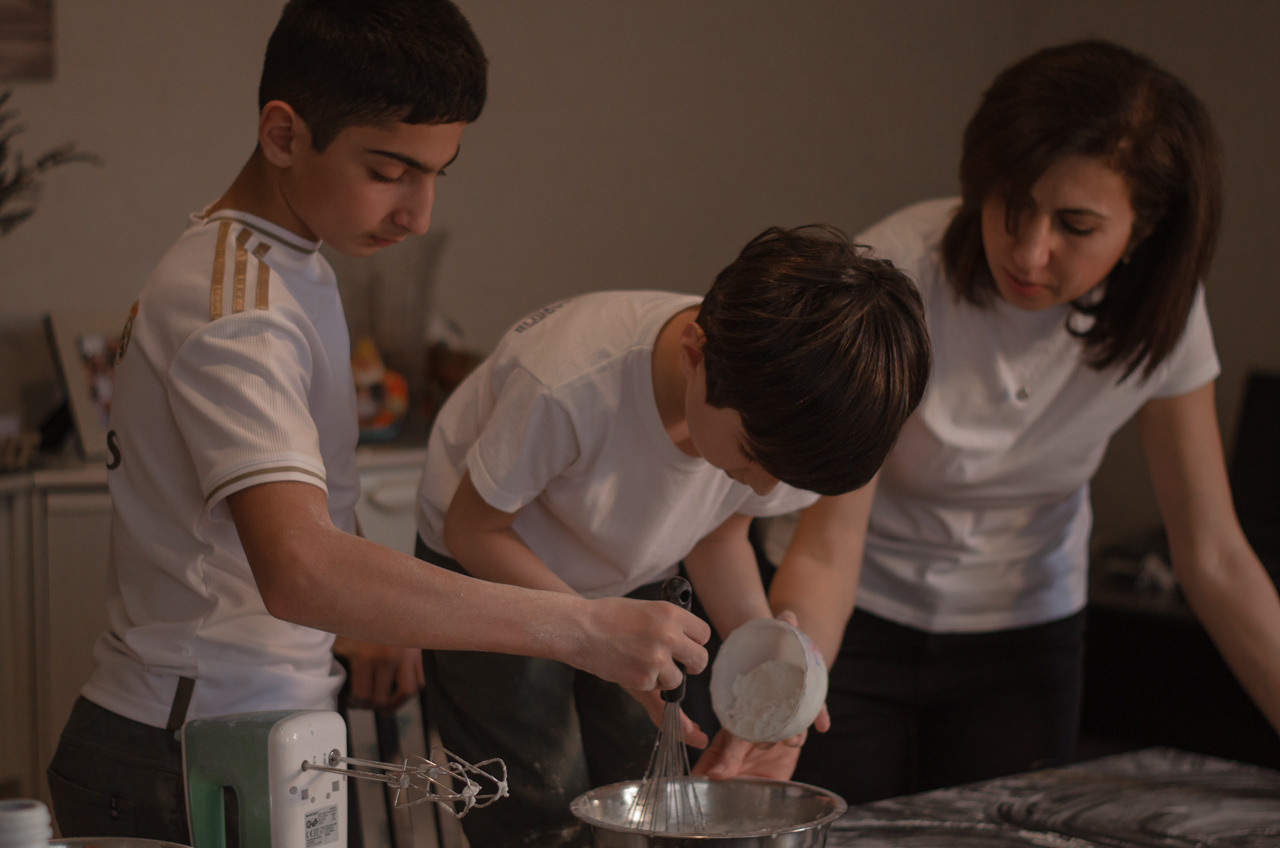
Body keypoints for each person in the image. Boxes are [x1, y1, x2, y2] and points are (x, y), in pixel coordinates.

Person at [46, 2, 712, 842]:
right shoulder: (233, 310)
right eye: (391, 170)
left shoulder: (292, 263)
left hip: (261, 731)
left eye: (438, 173)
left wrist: (368, 622)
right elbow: (298, 567)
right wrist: (582, 627)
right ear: (284, 134)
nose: (419, 214)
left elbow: (309, 515)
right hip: (179, 758)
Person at [716, 39, 1280, 804]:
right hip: (860, 616)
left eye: (1076, 226)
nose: (1030, 250)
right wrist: (788, 693)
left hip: (1024, 635)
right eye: (1012, 205)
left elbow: (1213, 556)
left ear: (1144, 229)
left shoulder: (1163, 315)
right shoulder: (898, 276)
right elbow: (829, 549)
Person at [412, 224, 932, 847]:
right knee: (538, 803)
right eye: (748, 460)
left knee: (647, 794)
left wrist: (762, 648)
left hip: (626, 573)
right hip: (487, 564)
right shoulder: (570, 384)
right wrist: (590, 635)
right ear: (695, 354)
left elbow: (717, 538)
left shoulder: (773, 421)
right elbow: (472, 529)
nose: (764, 490)